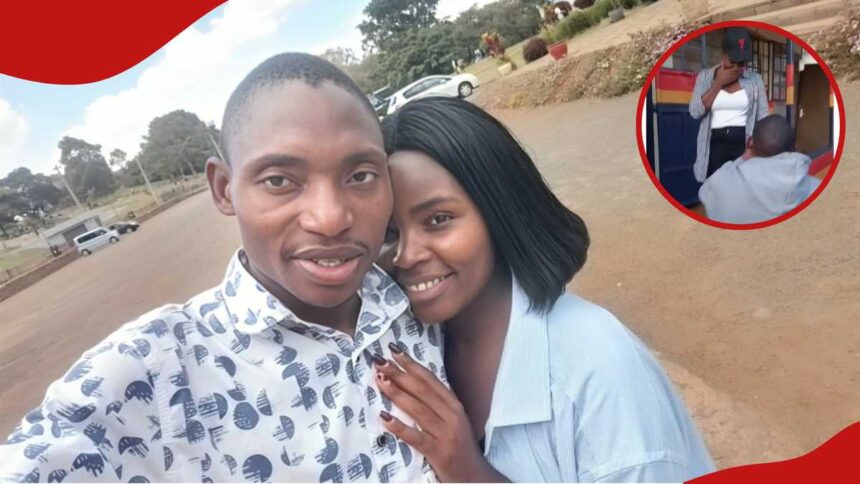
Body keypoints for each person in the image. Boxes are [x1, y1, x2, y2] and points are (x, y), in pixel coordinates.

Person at [0, 53, 447, 482]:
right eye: (279, 181)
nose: (330, 218)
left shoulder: (421, 292)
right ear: (224, 189)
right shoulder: (157, 371)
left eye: (361, 175)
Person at [373, 97, 715, 482]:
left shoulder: (598, 369)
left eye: (438, 219)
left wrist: (467, 469)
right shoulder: (411, 345)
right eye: (388, 232)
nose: (406, 255)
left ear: (500, 210)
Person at [698, 114, 821, 224]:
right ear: (794, 149)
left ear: (750, 142)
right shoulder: (816, 189)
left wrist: (741, 159)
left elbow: (704, 191)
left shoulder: (719, 183)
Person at [689, 27, 769, 183]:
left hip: (744, 142)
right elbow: (695, 112)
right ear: (723, 56)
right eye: (733, 62)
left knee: (742, 187)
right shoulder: (705, 77)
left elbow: (763, 116)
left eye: (742, 63)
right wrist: (718, 83)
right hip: (714, 143)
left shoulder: (755, 80)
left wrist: (755, 144)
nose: (737, 68)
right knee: (716, 187)